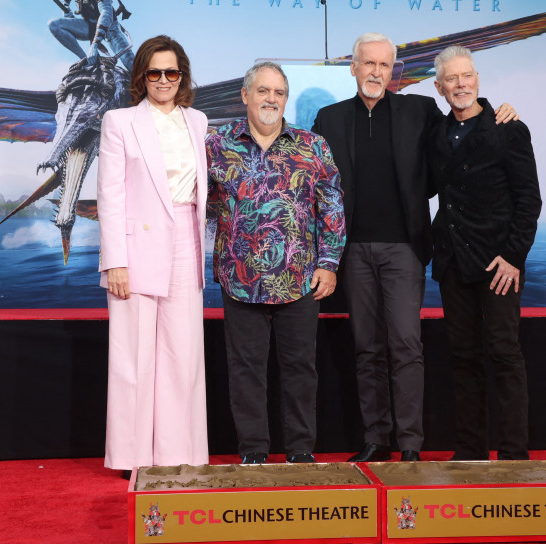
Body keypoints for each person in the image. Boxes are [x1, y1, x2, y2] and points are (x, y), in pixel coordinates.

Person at [312, 33, 516, 462]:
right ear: (353, 67)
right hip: (353, 252)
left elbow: (467, 119)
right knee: (367, 347)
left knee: (406, 344)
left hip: (405, 247)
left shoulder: (421, 110)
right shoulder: (328, 119)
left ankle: (410, 444)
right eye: (368, 64)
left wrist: (503, 112)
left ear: (394, 72)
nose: (376, 73)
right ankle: (375, 437)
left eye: (384, 66)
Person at [206, 62, 346, 464]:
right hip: (239, 277)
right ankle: (253, 450)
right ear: (246, 95)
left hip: (300, 277)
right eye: (263, 91)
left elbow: (332, 207)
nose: (271, 99)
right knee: (246, 370)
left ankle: (301, 449)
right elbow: (204, 203)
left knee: (300, 369)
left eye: (279, 93)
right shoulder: (217, 144)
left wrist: (329, 262)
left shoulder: (312, 146)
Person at [97, 35, 209, 477]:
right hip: (136, 246)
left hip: (187, 240)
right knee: (133, 355)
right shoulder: (119, 121)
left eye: (172, 72)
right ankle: (131, 456)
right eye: (154, 72)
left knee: (183, 353)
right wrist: (115, 260)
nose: (163, 80)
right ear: (141, 76)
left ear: (182, 76)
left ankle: (178, 452)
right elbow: (110, 195)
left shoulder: (198, 121)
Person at [428, 45, 541, 461]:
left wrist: (514, 256)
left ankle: (513, 454)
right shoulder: (435, 134)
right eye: (452, 79)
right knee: (463, 358)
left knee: (504, 353)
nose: (461, 85)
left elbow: (529, 199)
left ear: (477, 78)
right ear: (440, 87)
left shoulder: (509, 128)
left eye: (467, 76)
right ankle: (470, 451)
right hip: (453, 261)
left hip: (499, 265)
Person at [49, 0, 135, 71]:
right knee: (54, 25)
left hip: (111, 27)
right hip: (90, 26)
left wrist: (95, 45)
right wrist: (67, 10)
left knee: (132, 65)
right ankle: (87, 62)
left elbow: (106, 14)